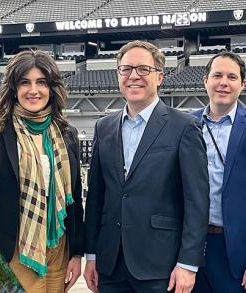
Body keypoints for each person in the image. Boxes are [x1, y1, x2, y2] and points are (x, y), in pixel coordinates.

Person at [83, 40, 209, 293]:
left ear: (160, 77)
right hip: (111, 264)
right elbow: (96, 196)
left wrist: (188, 263)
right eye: (126, 69)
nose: (133, 77)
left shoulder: (184, 127)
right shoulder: (104, 127)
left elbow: (197, 202)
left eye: (143, 69)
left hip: (161, 264)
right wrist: (92, 255)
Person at [0, 50, 84, 293]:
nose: (33, 90)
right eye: (25, 82)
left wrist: (76, 253)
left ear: (51, 88)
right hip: (14, 250)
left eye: (41, 82)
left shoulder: (67, 134)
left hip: (58, 249)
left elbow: (74, 201)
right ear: (14, 89)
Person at [190, 51, 246, 293]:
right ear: (205, 80)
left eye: (231, 76)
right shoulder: (187, 124)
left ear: (243, 84)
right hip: (192, 248)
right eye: (217, 75)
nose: (223, 82)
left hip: (238, 252)